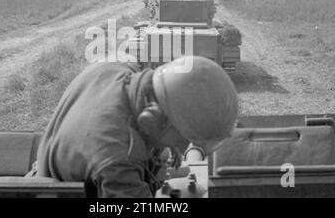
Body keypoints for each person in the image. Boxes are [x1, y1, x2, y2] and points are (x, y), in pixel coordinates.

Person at [36, 56, 239, 198]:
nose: (186, 145)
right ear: (153, 122)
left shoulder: (116, 70)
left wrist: (169, 143)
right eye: (185, 138)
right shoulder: (117, 159)